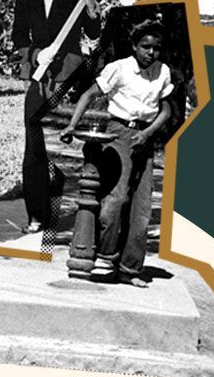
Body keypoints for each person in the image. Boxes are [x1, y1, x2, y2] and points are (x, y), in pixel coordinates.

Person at [59, 18, 178, 286]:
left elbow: (167, 109)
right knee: (116, 200)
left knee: (142, 208)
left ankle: (129, 270)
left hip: (145, 136)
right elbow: (89, 94)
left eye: (156, 48)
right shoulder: (119, 69)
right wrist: (71, 124)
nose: (151, 52)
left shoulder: (163, 72)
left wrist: (147, 134)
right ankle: (106, 253)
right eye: (146, 46)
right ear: (135, 46)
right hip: (118, 133)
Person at [11, 0, 100, 233]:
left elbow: (94, 31)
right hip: (40, 77)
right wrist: (36, 54)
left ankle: (77, 215)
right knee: (35, 145)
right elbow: (18, 36)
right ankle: (37, 215)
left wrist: (90, 7)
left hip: (70, 76)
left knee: (68, 143)